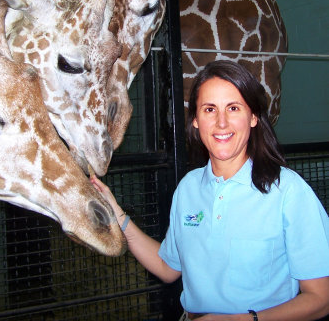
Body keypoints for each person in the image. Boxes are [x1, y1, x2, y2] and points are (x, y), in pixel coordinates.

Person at [91, 60, 329, 320]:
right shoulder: (188, 188)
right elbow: (167, 268)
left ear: (253, 117)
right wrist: (118, 216)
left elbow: (320, 299)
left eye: (234, 108)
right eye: (209, 109)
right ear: (195, 120)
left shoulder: (289, 191)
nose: (222, 123)